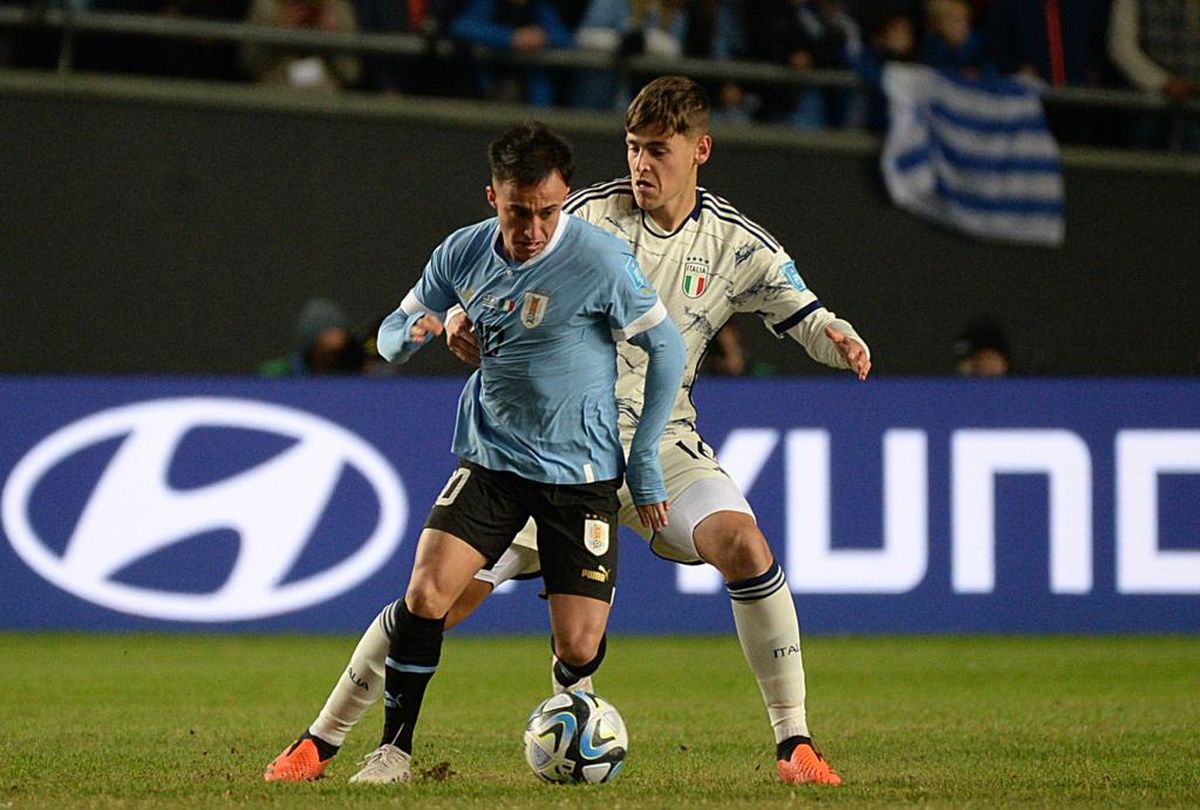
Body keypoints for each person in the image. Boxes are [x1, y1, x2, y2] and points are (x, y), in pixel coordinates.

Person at [269, 75, 868, 787]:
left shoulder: (736, 246)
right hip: (547, 446)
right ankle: (322, 738)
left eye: (660, 151)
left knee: (744, 545)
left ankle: (794, 743)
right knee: (437, 600)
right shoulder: (580, 217)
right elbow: (490, 271)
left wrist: (840, 337)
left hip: (661, 443)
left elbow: (805, 313)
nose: (643, 165)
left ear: (700, 150)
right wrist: (459, 320)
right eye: (634, 148)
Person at [264, 120, 686, 784]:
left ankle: (567, 694)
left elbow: (668, 348)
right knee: (426, 592)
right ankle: (392, 751)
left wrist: (646, 460)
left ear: (564, 196)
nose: (534, 229)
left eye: (548, 211)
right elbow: (393, 334)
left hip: (580, 478)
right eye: (520, 212)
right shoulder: (462, 253)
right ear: (493, 196)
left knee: (579, 642)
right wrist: (423, 330)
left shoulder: (599, 261)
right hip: (492, 466)